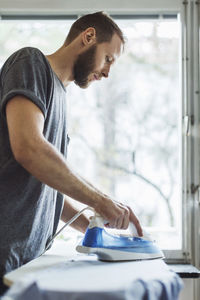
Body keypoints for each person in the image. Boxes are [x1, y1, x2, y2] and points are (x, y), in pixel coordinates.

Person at [0, 11, 143, 295]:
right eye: (108, 59)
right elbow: (29, 149)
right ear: (88, 37)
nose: (107, 72)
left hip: (27, 261)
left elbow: (45, 189)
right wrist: (101, 201)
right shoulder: (30, 63)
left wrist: (94, 228)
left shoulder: (61, 98)